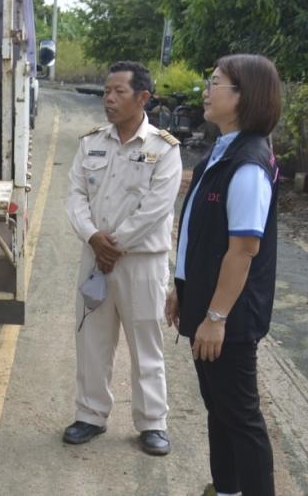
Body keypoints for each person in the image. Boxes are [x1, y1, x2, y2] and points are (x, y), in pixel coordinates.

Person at [167, 55, 282, 496]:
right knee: (219, 409)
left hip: (228, 318)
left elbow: (243, 249)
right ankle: (227, 488)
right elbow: (200, 232)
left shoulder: (249, 164)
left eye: (215, 83)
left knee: (242, 417)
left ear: (243, 97)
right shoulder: (223, 151)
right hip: (206, 305)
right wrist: (184, 291)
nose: (206, 90)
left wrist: (215, 317)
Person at [63, 61, 182, 456]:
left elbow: (156, 208)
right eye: (106, 92)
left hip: (142, 262)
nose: (109, 99)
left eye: (119, 92)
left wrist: (115, 245)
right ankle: (90, 415)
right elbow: (76, 196)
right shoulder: (91, 142)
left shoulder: (163, 148)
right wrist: (94, 238)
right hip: (95, 256)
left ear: (143, 97)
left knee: (145, 342)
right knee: (92, 340)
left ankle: (152, 423)